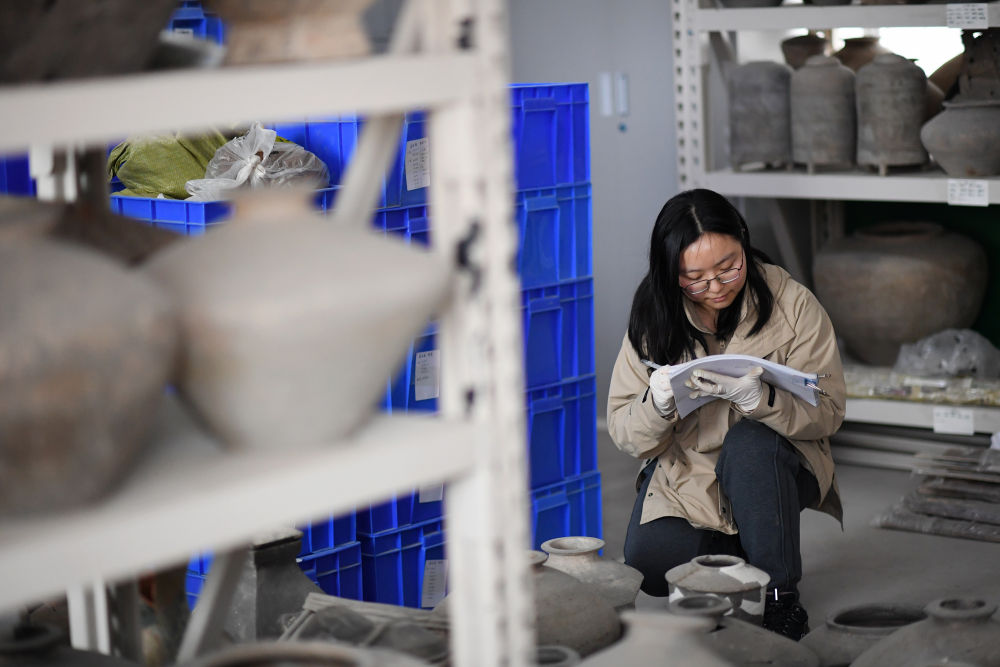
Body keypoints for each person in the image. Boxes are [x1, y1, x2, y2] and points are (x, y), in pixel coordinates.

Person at [606, 188, 846, 641]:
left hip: (774, 463)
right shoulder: (653, 315)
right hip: (692, 467)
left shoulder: (793, 304)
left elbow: (830, 411)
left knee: (751, 445)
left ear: (743, 240)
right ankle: (755, 543)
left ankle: (781, 597)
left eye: (728, 267)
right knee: (652, 566)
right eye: (695, 278)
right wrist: (656, 404)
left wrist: (763, 402)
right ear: (671, 271)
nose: (715, 287)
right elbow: (623, 430)